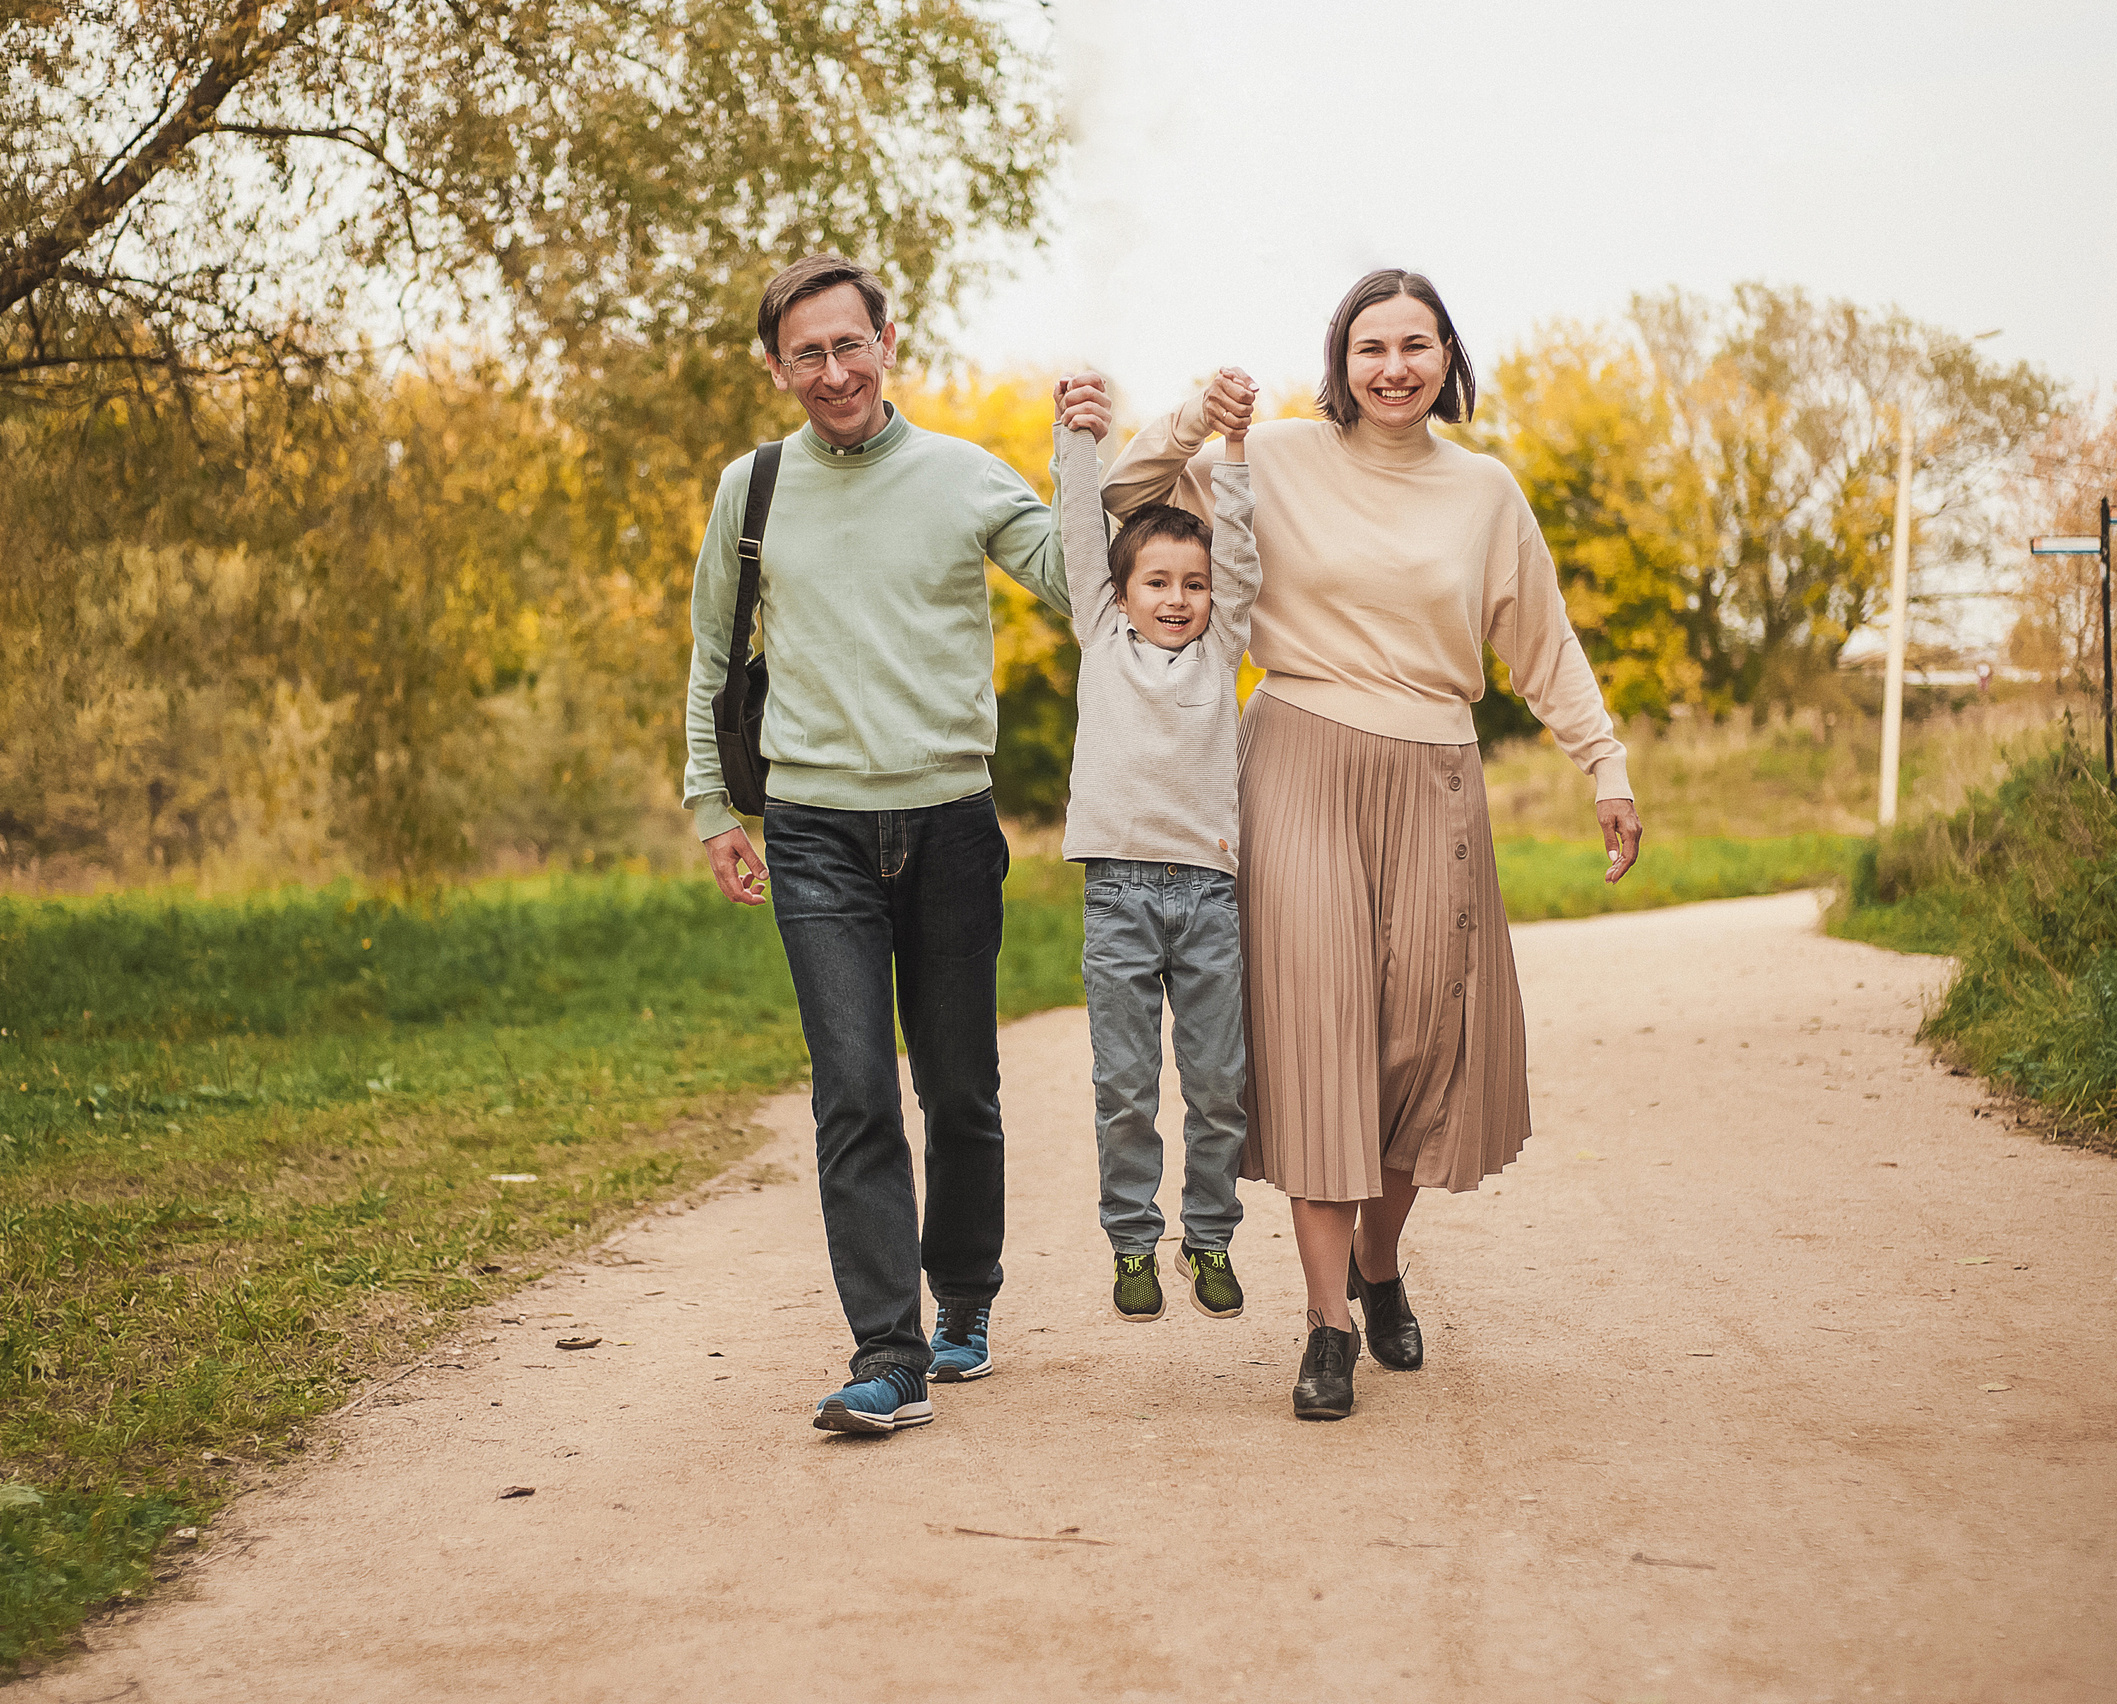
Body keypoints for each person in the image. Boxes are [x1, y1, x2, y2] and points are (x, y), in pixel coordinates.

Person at [1104, 269, 1646, 1420]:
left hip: (1436, 771)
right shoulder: (1272, 457)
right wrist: (1197, 415)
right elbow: (1125, 495)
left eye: (1415, 345)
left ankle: (1378, 1261)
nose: (1392, 367)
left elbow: (1541, 640)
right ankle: (1325, 1322)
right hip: (1294, 762)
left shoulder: (1484, 491)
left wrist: (1603, 763)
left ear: (1447, 359)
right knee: (1320, 1037)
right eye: (1370, 347)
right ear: (1339, 362)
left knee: (1417, 1046)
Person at [681, 255, 1080, 1436]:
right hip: (813, 833)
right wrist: (712, 808)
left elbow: (1081, 584)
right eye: (805, 353)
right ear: (775, 368)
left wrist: (1080, 457)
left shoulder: (963, 475)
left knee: (958, 1087)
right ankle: (887, 1355)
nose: (832, 371)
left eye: (848, 344)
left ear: (887, 342)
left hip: (950, 823)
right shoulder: (751, 489)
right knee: (852, 1089)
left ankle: (964, 1296)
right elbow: (713, 657)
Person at [1054, 371, 1261, 1326]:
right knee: (1126, 1087)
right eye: (1158, 583)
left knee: (1219, 1086)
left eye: (1194, 585)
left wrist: (1235, 450)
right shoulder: (1101, 636)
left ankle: (1208, 1237)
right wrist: (1077, 437)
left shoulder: (1221, 650)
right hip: (1118, 895)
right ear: (1123, 591)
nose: (1177, 599)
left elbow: (1241, 555)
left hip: (1209, 894)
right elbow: (1079, 531)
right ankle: (1133, 1243)